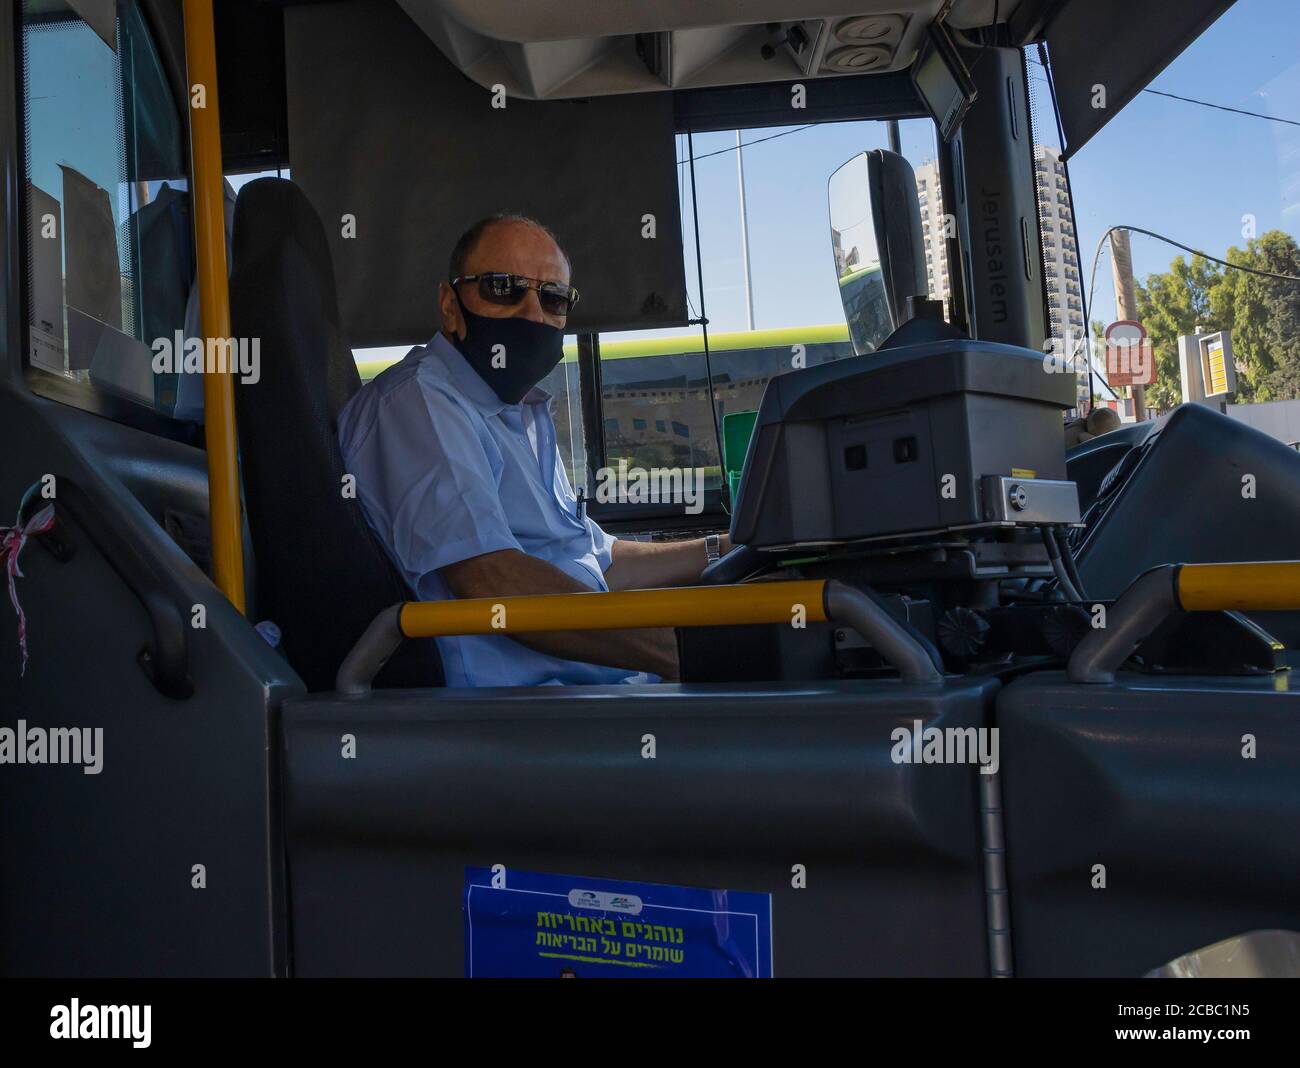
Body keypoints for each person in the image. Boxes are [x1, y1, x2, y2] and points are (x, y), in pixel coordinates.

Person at [338, 213, 729, 687]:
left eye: (553, 297)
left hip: (601, 689)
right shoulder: (419, 403)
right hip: (522, 716)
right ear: (449, 304)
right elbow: (490, 579)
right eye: (503, 287)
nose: (531, 312)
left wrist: (723, 550)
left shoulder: (520, 414)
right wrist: (683, 653)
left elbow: (595, 560)